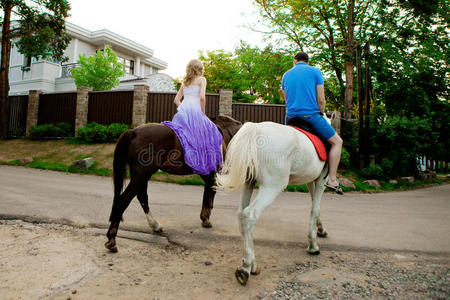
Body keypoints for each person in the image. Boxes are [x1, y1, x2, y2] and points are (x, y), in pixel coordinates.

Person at [281, 52, 344, 194]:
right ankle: (332, 179)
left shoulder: (286, 75)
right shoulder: (315, 72)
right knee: (337, 142)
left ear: (294, 61)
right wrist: (321, 112)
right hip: (310, 116)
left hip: (290, 118)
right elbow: (321, 99)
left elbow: (286, 99)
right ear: (307, 61)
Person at [162, 59, 222, 175]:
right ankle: (221, 165)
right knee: (215, 133)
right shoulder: (202, 79)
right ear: (199, 69)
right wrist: (203, 112)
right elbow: (202, 98)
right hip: (196, 112)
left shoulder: (185, 82)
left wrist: (183, 108)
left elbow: (176, 100)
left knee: (185, 136)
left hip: (183, 114)